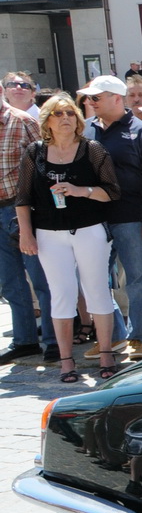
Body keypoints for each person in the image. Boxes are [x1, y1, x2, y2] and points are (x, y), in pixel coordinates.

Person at [17, 93, 121, 381]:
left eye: (70, 113)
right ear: (47, 121)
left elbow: (112, 192)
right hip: (49, 234)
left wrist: (81, 190)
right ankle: (66, 362)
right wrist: (26, 233)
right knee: (61, 296)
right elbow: (23, 198)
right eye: (58, 114)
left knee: (97, 291)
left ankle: (106, 356)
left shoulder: (93, 150)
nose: (65, 118)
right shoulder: (34, 153)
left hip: (89, 230)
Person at [81, 74, 142, 359]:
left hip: (131, 215)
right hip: (91, 219)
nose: (90, 102)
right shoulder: (86, 129)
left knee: (138, 278)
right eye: (88, 98)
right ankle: (113, 336)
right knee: (95, 279)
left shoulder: (141, 131)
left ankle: (138, 337)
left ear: (117, 98)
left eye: (96, 97)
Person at [0, 94, 50, 363]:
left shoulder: (24, 122)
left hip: (22, 210)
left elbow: (44, 164)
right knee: (10, 282)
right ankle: (26, 341)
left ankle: (53, 341)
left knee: (41, 280)